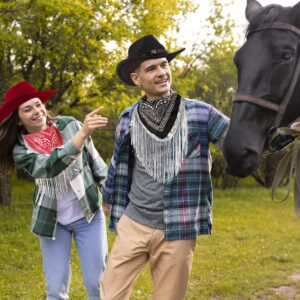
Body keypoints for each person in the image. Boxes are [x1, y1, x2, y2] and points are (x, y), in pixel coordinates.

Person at [100, 35, 230, 300]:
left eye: (163, 65)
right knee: (110, 294)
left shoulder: (200, 113)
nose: (161, 72)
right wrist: (108, 197)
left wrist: (285, 134)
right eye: (152, 68)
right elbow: (118, 163)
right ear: (136, 78)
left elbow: (241, 140)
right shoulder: (128, 118)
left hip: (178, 228)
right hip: (134, 222)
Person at [0, 81, 109, 300]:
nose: (36, 111)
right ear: (18, 119)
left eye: (38, 105)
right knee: (55, 290)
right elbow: (48, 166)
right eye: (27, 109)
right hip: (52, 221)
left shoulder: (70, 125)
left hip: (88, 215)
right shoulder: (20, 150)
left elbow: (94, 160)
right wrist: (81, 135)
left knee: (98, 284)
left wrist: (109, 195)